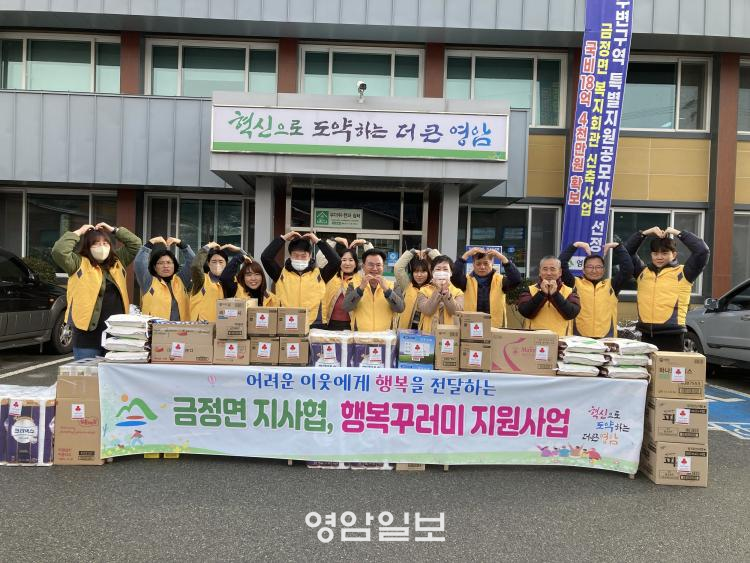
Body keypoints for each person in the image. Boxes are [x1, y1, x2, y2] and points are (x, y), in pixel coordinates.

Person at [51, 222, 141, 359]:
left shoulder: (118, 261)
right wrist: (79, 231)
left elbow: (136, 244)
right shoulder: (77, 262)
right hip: (86, 333)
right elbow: (59, 251)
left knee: (113, 372)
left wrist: (114, 230)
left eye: (105, 243)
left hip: (116, 332)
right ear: (88, 246)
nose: (102, 247)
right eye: (96, 244)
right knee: (87, 372)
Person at [624, 226, 710, 351]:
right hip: (646, 334)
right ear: (651, 254)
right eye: (655, 253)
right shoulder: (642, 272)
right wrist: (645, 233)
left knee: (668, 365)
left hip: (672, 335)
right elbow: (626, 252)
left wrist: (678, 233)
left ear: (674, 254)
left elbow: (702, 251)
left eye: (664, 253)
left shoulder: (684, 272)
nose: (659, 257)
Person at [261, 231, 341, 330]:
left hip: (315, 323)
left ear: (310, 256)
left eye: (303, 256)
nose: (299, 259)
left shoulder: (320, 274)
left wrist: (318, 242)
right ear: (290, 255)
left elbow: (336, 261)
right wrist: (283, 238)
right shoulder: (280, 274)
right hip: (287, 322)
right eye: (295, 255)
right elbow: (265, 258)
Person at [558, 240, 633, 338]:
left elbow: (628, 269)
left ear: (603, 270)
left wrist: (617, 246)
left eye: (598, 267)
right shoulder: (574, 283)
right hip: (579, 339)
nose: (594, 270)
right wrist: (576, 245)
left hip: (606, 338)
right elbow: (560, 265)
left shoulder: (611, 285)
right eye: (590, 267)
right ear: (583, 270)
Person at [452, 247, 522, 328]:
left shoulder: (500, 280)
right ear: (473, 264)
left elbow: (516, 279)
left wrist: (502, 258)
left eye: (486, 263)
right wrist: (466, 255)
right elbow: (454, 277)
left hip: (495, 327)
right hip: (471, 327)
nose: (482, 267)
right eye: (478, 264)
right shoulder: (466, 281)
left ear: (492, 263)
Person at [134, 236, 195, 321]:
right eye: (161, 263)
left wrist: (181, 243)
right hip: (155, 328)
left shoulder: (181, 280)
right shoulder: (148, 281)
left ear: (174, 265)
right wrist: (151, 242)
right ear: (155, 267)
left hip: (181, 328)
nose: (165, 266)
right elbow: (139, 263)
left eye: (169, 262)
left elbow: (193, 262)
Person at [343, 249, 405, 331]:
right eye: (371, 265)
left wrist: (387, 290)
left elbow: (400, 308)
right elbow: (346, 307)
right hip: (361, 336)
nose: (375, 268)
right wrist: (360, 289)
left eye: (378, 265)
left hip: (386, 336)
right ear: (363, 267)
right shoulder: (353, 285)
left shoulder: (393, 285)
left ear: (383, 267)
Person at [517, 256, 581, 336]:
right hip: (534, 338)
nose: (548, 273)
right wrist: (542, 294)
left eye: (552, 269)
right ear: (540, 271)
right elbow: (525, 312)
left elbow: (572, 313)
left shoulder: (570, 291)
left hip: (561, 339)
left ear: (560, 272)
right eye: (545, 269)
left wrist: (555, 294)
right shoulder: (529, 290)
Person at [323, 239, 369, 330]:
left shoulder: (362, 278)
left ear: (356, 263)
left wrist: (365, 243)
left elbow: (372, 260)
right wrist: (333, 240)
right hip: (330, 324)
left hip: (353, 325)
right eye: (343, 260)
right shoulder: (330, 276)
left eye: (351, 260)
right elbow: (322, 258)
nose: (347, 263)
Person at [416, 255, 464, 334]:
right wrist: (438, 290)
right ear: (432, 272)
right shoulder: (423, 291)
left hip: (450, 335)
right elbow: (427, 311)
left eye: (445, 269)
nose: (442, 272)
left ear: (451, 273)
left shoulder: (458, 292)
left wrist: (446, 292)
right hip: (428, 334)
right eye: (438, 269)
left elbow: (455, 312)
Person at [190, 242, 237, 321]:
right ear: (208, 264)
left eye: (221, 262)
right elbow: (195, 267)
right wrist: (208, 246)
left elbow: (253, 267)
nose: (217, 265)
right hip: (203, 327)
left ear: (226, 264)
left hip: (225, 325)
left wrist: (239, 250)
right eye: (214, 262)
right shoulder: (202, 279)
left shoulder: (234, 280)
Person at [394, 248, 439, 330]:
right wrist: (411, 252)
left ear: (429, 273)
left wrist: (430, 252)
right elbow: (398, 268)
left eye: (423, 271)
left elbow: (443, 265)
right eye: (416, 271)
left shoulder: (435, 287)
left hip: (426, 331)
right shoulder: (407, 285)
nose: (419, 275)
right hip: (407, 331)